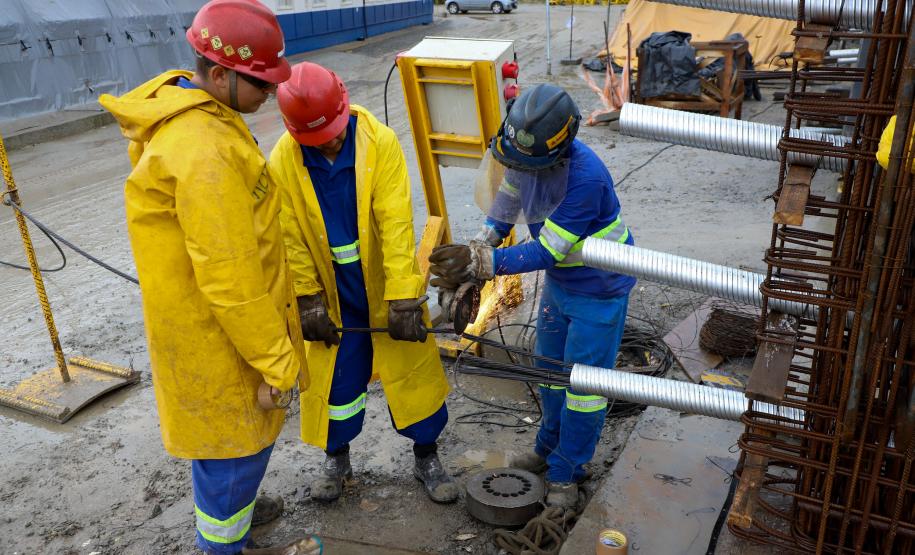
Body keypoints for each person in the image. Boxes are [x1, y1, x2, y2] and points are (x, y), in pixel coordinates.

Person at [99, 1, 320, 553]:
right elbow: (230, 278)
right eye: (260, 84)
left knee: (220, 447)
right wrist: (278, 361)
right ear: (220, 74)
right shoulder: (206, 153)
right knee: (234, 449)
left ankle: (231, 517)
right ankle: (224, 539)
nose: (270, 94)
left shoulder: (194, 112)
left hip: (205, 328)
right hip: (224, 340)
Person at [429, 83, 636, 510]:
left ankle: (568, 470)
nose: (517, 169)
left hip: (598, 291)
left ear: (559, 152)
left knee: (583, 388)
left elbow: (547, 250)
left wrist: (484, 264)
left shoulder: (586, 179)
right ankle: (547, 448)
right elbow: (505, 205)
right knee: (547, 370)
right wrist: (481, 242)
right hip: (562, 286)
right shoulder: (526, 157)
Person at [267, 62, 457, 504]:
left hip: (382, 284)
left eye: (332, 131)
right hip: (334, 297)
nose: (329, 142)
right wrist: (308, 298)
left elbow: (395, 224)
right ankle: (338, 458)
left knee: (413, 376)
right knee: (337, 384)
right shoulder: (284, 159)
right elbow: (289, 234)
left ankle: (426, 453)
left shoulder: (379, 144)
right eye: (316, 138)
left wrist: (404, 297)